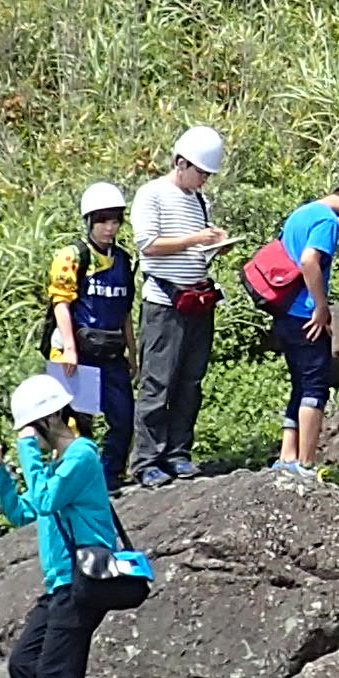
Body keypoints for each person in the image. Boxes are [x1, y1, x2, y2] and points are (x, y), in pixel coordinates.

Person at [0, 374, 147, 678]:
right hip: (60, 583)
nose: (28, 435)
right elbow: (25, 511)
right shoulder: (59, 464)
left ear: (50, 418)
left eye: (30, 427)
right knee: (24, 664)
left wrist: (24, 447)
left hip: (83, 580)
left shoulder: (81, 456)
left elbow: (45, 498)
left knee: (57, 669)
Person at [257, 166, 339, 477]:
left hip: (284, 312)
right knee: (315, 386)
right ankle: (306, 462)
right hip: (304, 313)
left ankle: (287, 456)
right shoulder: (327, 221)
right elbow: (309, 261)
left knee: (299, 383)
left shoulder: (302, 213)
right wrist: (322, 308)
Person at [130, 128, 232, 482]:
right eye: (200, 173)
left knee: (190, 381)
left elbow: (195, 253)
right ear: (180, 162)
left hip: (197, 300)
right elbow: (148, 245)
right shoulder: (152, 194)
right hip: (164, 302)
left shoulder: (200, 201)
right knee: (158, 382)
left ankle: (178, 451)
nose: (203, 180)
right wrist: (195, 239)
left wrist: (216, 245)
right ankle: (146, 461)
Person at [49, 183, 146, 489]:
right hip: (78, 351)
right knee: (77, 423)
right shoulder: (72, 256)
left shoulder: (122, 260)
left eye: (115, 220)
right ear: (89, 221)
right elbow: (60, 302)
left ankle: (110, 476)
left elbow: (125, 311)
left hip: (112, 352)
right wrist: (70, 349)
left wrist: (133, 353)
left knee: (124, 417)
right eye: (103, 220)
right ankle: (75, 483)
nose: (109, 227)